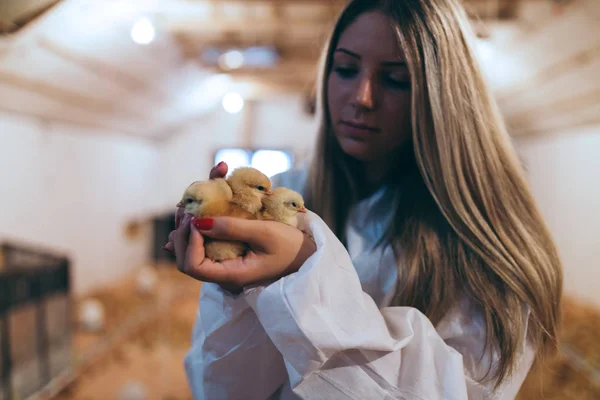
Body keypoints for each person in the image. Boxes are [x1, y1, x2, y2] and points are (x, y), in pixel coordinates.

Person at [165, 0, 563, 398]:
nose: (362, 97)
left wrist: (303, 274)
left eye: (395, 79)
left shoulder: (486, 243)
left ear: (441, 96)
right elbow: (218, 386)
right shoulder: (280, 197)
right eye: (346, 69)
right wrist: (235, 291)